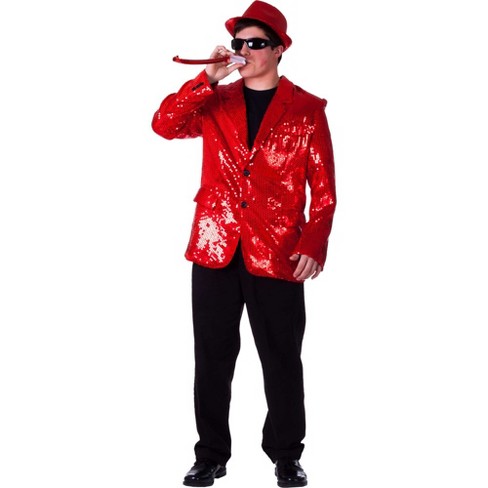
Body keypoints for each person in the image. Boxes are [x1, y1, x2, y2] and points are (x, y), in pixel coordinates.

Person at [151, 1, 336, 486]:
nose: (245, 50)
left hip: (277, 250)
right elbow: (164, 125)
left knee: (281, 359)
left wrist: (314, 243)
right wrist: (207, 79)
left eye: (256, 43)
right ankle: (210, 454)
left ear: (279, 50)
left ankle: (286, 454)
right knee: (212, 358)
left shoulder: (307, 109)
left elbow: (324, 190)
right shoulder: (215, 100)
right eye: (239, 43)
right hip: (214, 245)